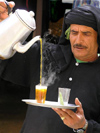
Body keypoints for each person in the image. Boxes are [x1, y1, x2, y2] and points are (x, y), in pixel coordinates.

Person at [0, 1, 100, 133]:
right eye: (74, 33)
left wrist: (84, 126)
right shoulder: (46, 55)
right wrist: (6, 27)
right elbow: (5, 57)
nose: (78, 41)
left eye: (86, 34)